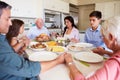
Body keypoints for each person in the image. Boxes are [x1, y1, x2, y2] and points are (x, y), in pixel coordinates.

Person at [0, 1, 65, 80]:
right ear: (36, 23)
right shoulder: (2, 44)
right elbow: (27, 68)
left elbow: (11, 57)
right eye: (7, 19)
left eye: (42, 22)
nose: (10, 23)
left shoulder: (2, 39)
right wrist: (57, 61)